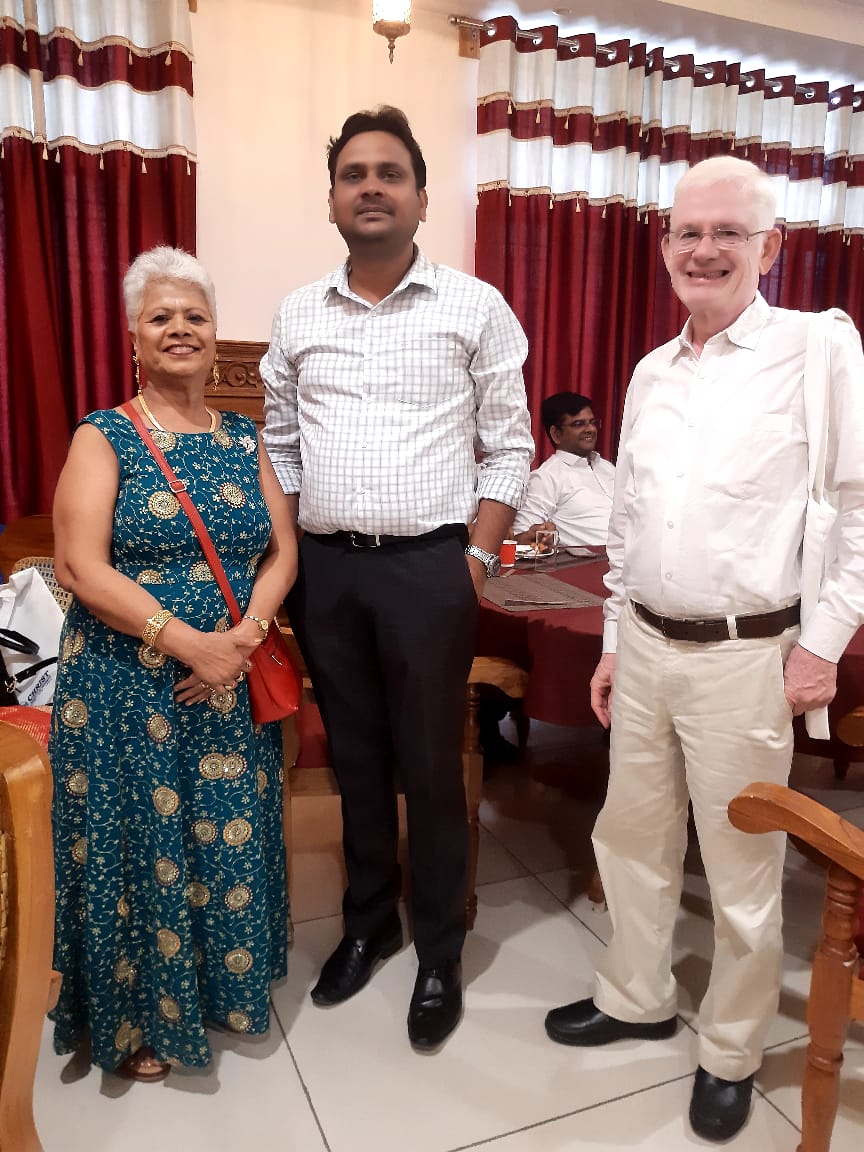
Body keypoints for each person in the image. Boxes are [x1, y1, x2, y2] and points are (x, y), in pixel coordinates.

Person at [544, 156, 864, 1141]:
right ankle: (636, 996)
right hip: (645, 645)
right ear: (665, 245)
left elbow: (857, 509)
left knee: (741, 866)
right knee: (630, 837)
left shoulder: (816, 349)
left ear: (772, 246)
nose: (706, 249)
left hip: (748, 657)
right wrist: (611, 641)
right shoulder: (651, 371)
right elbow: (629, 527)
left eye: (730, 232)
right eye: (689, 231)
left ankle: (730, 1048)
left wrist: (823, 647)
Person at [261, 106, 533, 1050]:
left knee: (430, 762)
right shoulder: (298, 313)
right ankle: (369, 921)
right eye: (353, 174)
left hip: (431, 568)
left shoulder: (475, 306)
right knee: (357, 756)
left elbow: (510, 446)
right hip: (327, 571)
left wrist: (476, 561)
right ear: (332, 198)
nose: (370, 186)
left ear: (420, 196)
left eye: (390, 173)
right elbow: (280, 447)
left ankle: (441, 947)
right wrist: (290, 561)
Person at [49, 246, 297, 1079]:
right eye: (161, 317)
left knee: (223, 838)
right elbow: (80, 566)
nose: (180, 328)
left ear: (216, 335)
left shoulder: (244, 437)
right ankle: (135, 1023)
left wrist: (245, 638)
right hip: (126, 686)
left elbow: (282, 550)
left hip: (228, 681)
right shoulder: (105, 435)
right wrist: (193, 644)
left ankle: (222, 991)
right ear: (134, 339)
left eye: (195, 315)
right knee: (139, 844)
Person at [512, 392, 614, 549]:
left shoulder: (607, 468)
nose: (590, 429)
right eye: (579, 424)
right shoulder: (546, 477)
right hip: (595, 561)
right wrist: (541, 535)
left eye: (592, 422)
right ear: (556, 434)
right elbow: (522, 536)